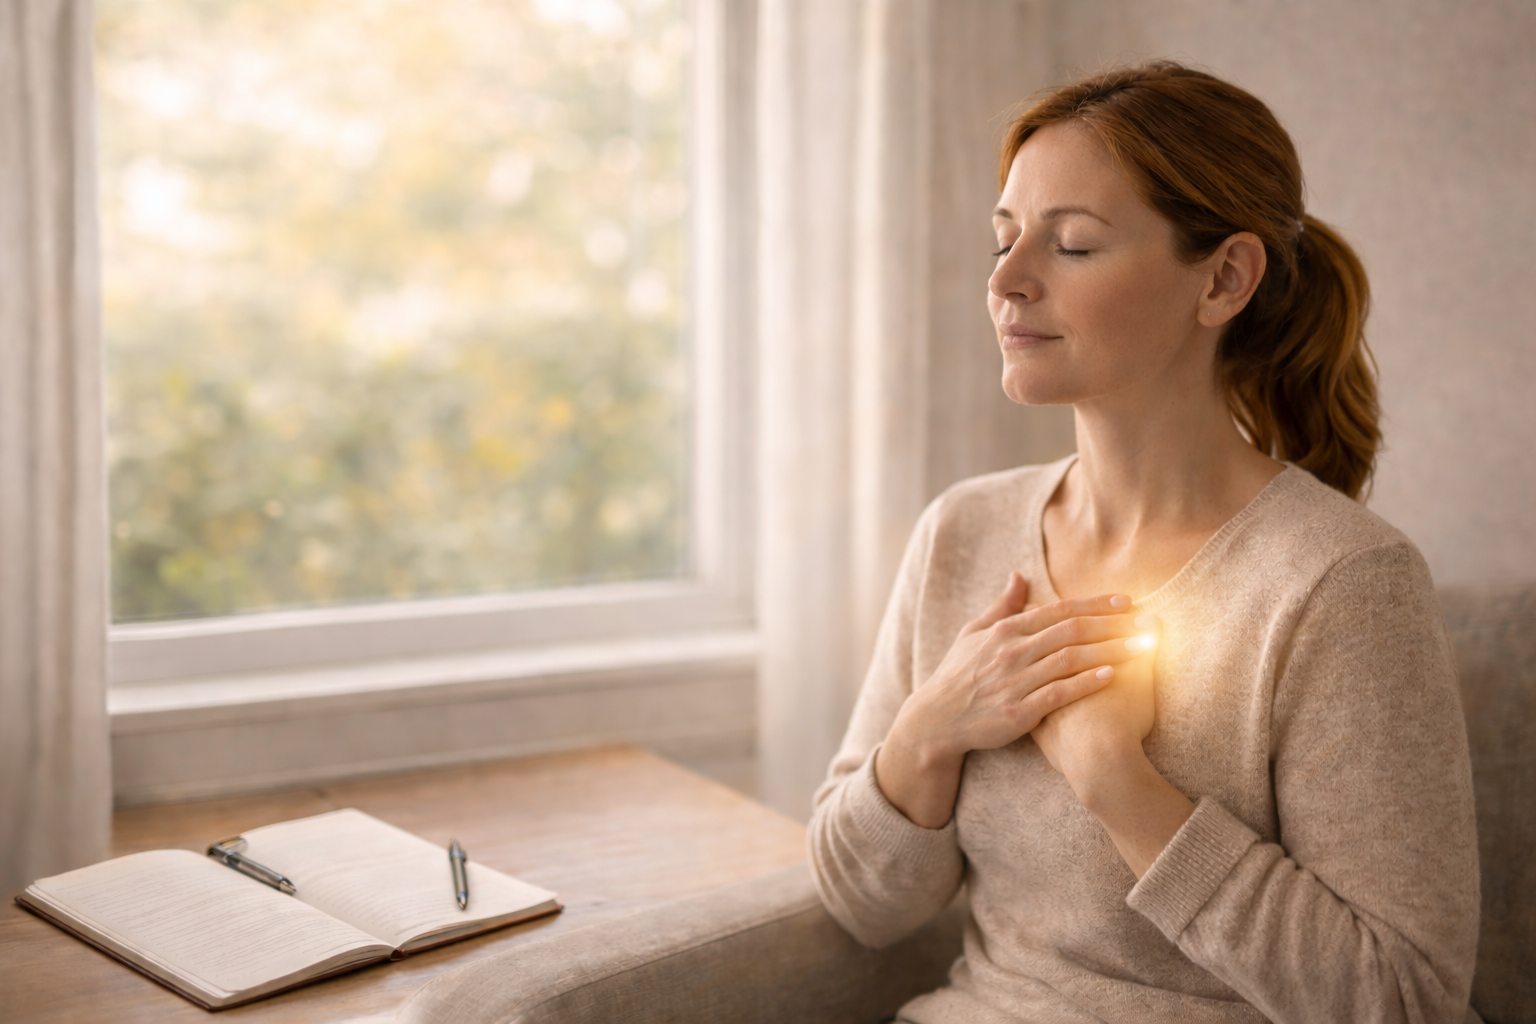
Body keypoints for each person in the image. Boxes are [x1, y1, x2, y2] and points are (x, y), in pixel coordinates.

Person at [807, 62, 1480, 1024]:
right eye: (1003, 238)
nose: (1005, 281)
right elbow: (861, 905)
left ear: (1224, 279)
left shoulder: (1341, 582)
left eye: (1072, 244)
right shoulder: (963, 531)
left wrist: (1119, 785)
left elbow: (1405, 1000)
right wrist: (930, 729)